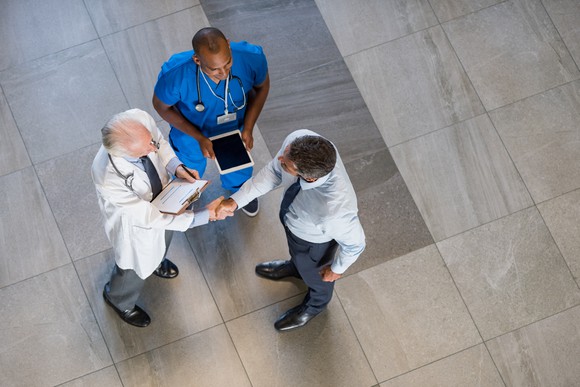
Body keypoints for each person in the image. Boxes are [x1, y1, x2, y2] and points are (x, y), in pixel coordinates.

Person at [92, 108, 229, 327]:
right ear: (124, 153)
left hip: (164, 200)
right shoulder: (109, 177)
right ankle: (119, 299)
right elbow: (151, 218)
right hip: (137, 225)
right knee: (133, 266)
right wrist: (204, 215)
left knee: (164, 238)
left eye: (150, 142)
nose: (152, 148)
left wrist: (177, 166)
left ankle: (157, 262)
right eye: (145, 151)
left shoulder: (139, 121)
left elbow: (160, 143)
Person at [216, 130, 366, 331]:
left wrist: (336, 270)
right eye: (285, 154)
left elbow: (356, 244)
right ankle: (296, 267)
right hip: (294, 224)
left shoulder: (336, 210)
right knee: (298, 257)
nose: (279, 159)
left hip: (314, 242)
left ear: (309, 178)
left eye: (286, 164)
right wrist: (236, 201)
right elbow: (273, 171)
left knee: (317, 276)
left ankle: (315, 305)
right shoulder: (300, 139)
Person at [153, 27, 270, 217]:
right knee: (189, 167)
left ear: (229, 46)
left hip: (235, 126)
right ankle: (188, 193)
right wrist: (199, 137)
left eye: (228, 63)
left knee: (239, 164)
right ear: (197, 60)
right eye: (214, 69)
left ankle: (239, 190)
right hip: (191, 132)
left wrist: (248, 127)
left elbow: (262, 86)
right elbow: (161, 106)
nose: (224, 73)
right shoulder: (175, 74)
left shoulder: (252, 57)